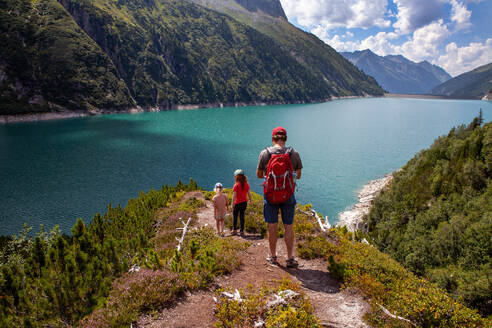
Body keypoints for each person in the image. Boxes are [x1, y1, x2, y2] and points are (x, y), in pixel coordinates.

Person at [256, 126, 302, 268]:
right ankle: (289, 258)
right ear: (285, 138)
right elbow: (298, 175)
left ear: (273, 138)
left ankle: (273, 256)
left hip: (270, 195)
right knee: (288, 226)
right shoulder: (294, 154)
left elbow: (258, 174)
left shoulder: (265, 153)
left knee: (272, 226)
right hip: (288, 194)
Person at [232, 169, 252, 236]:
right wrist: (250, 200)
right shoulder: (246, 184)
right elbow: (249, 193)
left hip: (237, 203)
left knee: (235, 216)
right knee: (242, 216)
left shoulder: (236, 185)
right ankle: (241, 231)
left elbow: (234, 196)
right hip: (244, 203)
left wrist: (232, 204)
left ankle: (234, 230)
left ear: (236, 177)